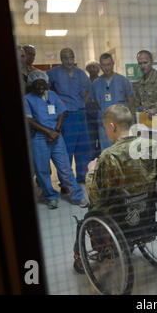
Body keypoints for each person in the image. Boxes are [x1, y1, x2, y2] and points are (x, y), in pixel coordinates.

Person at [24, 70, 88, 209]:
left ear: (46, 83)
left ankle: (77, 196)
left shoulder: (52, 95)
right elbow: (29, 120)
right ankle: (50, 197)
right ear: (32, 85)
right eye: (37, 85)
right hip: (39, 138)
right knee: (43, 170)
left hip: (56, 136)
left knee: (65, 168)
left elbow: (62, 112)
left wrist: (56, 130)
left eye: (42, 84)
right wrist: (48, 132)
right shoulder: (27, 99)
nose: (40, 87)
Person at [85, 104, 157, 213]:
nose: (105, 132)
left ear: (112, 126)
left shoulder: (108, 156)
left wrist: (91, 171)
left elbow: (97, 198)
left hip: (119, 215)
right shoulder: (153, 145)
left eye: (105, 127)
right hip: (147, 211)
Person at [47, 48, 92, 190]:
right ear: (61, 59)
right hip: (65, 116)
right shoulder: (53, 73)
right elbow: (46, 93)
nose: (69, 61)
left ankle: (82, 176)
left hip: (80, 113)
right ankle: (66, 182)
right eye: (65, 58)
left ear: (74, 58)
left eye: (71, 57)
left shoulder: (81, 73)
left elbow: (88, 90)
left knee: (83, 147)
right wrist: (57, 110)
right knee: (67, 150)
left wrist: (83, 104)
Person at [89, 53, 135, 151]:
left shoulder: (123, 81)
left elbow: (131, 99)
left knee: (123, 150)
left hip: (121, 123)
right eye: (104, 65)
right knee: (107, 151)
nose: (107, 68)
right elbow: (95, 102)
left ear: (113, 64)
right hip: (105, 125)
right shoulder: (96, 84)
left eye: (109, 64)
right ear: (100, 66)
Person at [133, 50, 157, 124]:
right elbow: (137, 105)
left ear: (151, 62)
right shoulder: (139, 82)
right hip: (146, 123)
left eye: (145, 62)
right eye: (140, 63)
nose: (142, 66)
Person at [85, 61, 101, 160]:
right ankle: (93, 161)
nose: (92, 70)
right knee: (91, 140)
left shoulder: (102, 81)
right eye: (90, 68)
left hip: (100, 116)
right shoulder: (85, 82)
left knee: (102, 139)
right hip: (88, 116)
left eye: (94, 67)